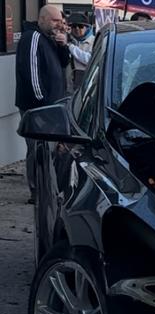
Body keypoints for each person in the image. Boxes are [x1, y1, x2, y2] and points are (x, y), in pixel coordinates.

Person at [15, 5, 70, 203]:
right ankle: (37, 193)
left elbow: (64, 64)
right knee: (38, 150)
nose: (60, 24)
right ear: (43, 19)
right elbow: (32, 76)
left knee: (53, 151)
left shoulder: (51, 39)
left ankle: (50, 189)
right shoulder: (32, 37)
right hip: (37, 108)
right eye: (55, 20)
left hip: (53, 107)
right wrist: (43, 105)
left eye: (61, 21)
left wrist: (64, 46)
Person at [66, 12, 94, 90]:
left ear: (87, 27)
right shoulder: (69, 41)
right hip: (70, 86)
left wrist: (71, 47)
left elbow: (89, 59)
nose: (77, 29)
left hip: (85, 86)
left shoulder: (94, 41)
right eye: (74, 26)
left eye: (80, 26)